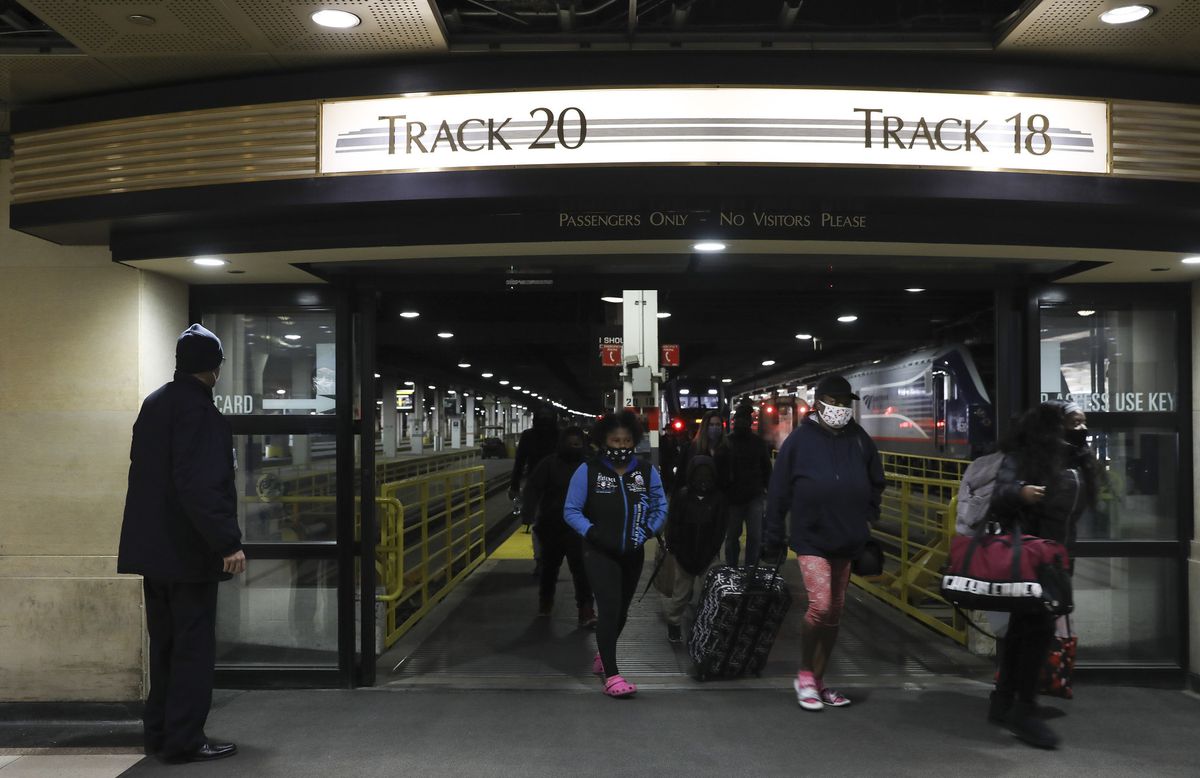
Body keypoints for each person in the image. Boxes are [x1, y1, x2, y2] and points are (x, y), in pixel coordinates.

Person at [117, 324, 245, 763]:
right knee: (192, 650)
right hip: (188, 554)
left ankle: (160, 733)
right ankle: (186, 740)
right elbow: (201, 486)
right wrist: (227, 542)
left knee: (165, 646)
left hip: (154, 554)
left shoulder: (154, 404)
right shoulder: (202, 414)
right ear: (214, 368)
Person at [763, 374, 884, 712]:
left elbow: (877, 478)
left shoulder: (859, 439)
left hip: (847, 538)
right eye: (835, 402)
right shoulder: (799, 441)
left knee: (835, 615)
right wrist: (773, 535)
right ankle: (804, 674)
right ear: (818, 403)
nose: (841, 409)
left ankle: (818, 680)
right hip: (811, 538)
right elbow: (779, 492)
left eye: (846, 403)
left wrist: (869, 511)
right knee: (821, 606)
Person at [987, 400, 1096, 749]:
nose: (1080, 429)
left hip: (1059, 557)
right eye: (1073, 422)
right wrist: (1020, 492)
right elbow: (1000, 493)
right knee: (1039, 630)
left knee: (1023, 629)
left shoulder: (1078, 460)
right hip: (1032, 556)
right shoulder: (1027, 456)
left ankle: (1004, 700)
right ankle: (1025, 709)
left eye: (1083, 423)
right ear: (1053, 427)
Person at [564, 411, 667, 697]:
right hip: (599, 552)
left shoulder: (646, 471)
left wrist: (648, 530)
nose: (621, 446)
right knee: (608, 609)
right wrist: (592, 532)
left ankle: (603, 653)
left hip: (632, 552)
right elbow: (571, 510)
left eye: (627, 440)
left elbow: (661, 505)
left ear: (634, 442)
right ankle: (612, 675)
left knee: (621, 611)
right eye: (614, 440)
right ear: (602, 442)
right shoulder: (588, 471)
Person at [522, 426, 597, 628]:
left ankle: (586, 610)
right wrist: (528, 514)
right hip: (552, 526)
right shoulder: (549, 464)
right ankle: (545, 603)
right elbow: (533, 489)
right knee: (549, 569)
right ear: (562, 444)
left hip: (579, 528)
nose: (574, 447)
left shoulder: (589, 466)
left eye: (577, 444)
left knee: (581, 570)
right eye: (570, 444)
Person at [662, 455, 729, 643]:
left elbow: (719, 528)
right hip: (684, 555)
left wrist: (712, 551)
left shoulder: (718, 499)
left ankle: (709, 625)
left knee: (712, 594)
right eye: (699, 475)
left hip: (708, 555)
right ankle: (674, 623)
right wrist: (675, 548)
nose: (703, 480)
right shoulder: (682, 496)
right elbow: (673, 524)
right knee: (680, 595)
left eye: (707, 475)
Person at [510, 409, 560, 574]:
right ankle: (547, 560)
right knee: (553, 526)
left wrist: (515, 486)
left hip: (536, 486)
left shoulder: (528, 436)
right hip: (557, 486)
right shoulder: (560, 435)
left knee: (539, 525)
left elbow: (519, 462)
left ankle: (541, 560)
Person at [724, 404, 773, 566]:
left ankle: (737, 568)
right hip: (743, 496)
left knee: (738, 537)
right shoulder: (755, 442)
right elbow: (767, 468)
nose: (742, 423)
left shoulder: (730, 442)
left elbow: (766, 468)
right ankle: (747, 569)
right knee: (748, 537)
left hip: (746, 496)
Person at [674, 409, 731, 498]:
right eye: (711, 425)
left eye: (718, 425)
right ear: (705, 427)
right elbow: (681, 477)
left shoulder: (727, 449)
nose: (715, 428)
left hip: (720, 500)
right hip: (697, 500)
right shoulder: (691, 448)